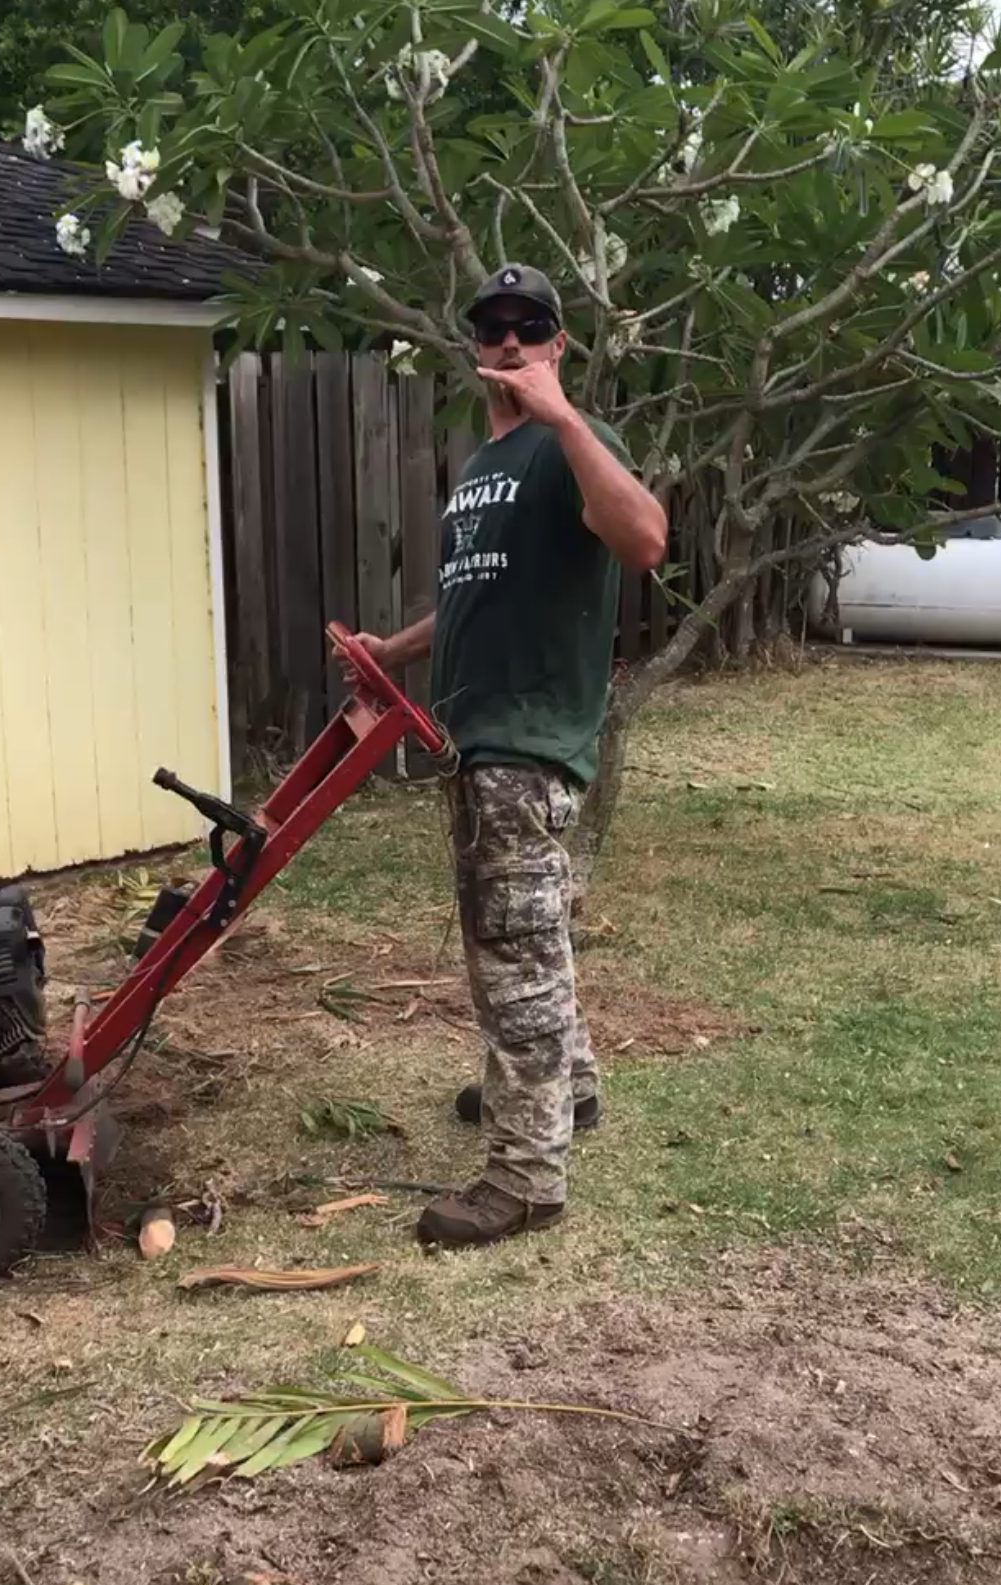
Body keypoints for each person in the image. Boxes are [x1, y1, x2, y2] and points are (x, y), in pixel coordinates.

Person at [332, 263, 667, 1248]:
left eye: (531, 329)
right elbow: (480, 592)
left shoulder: (573, 444)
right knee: (537, 932)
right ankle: (575, 1090)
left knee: (511, 954)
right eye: (494, 329)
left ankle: (526, 1175)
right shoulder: (484, 468)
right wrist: (391, 651)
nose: (510, 343)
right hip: (486, 740)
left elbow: (643, 538)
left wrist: (565, 420)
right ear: (475, 345)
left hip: (525, 745)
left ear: (557, 346)